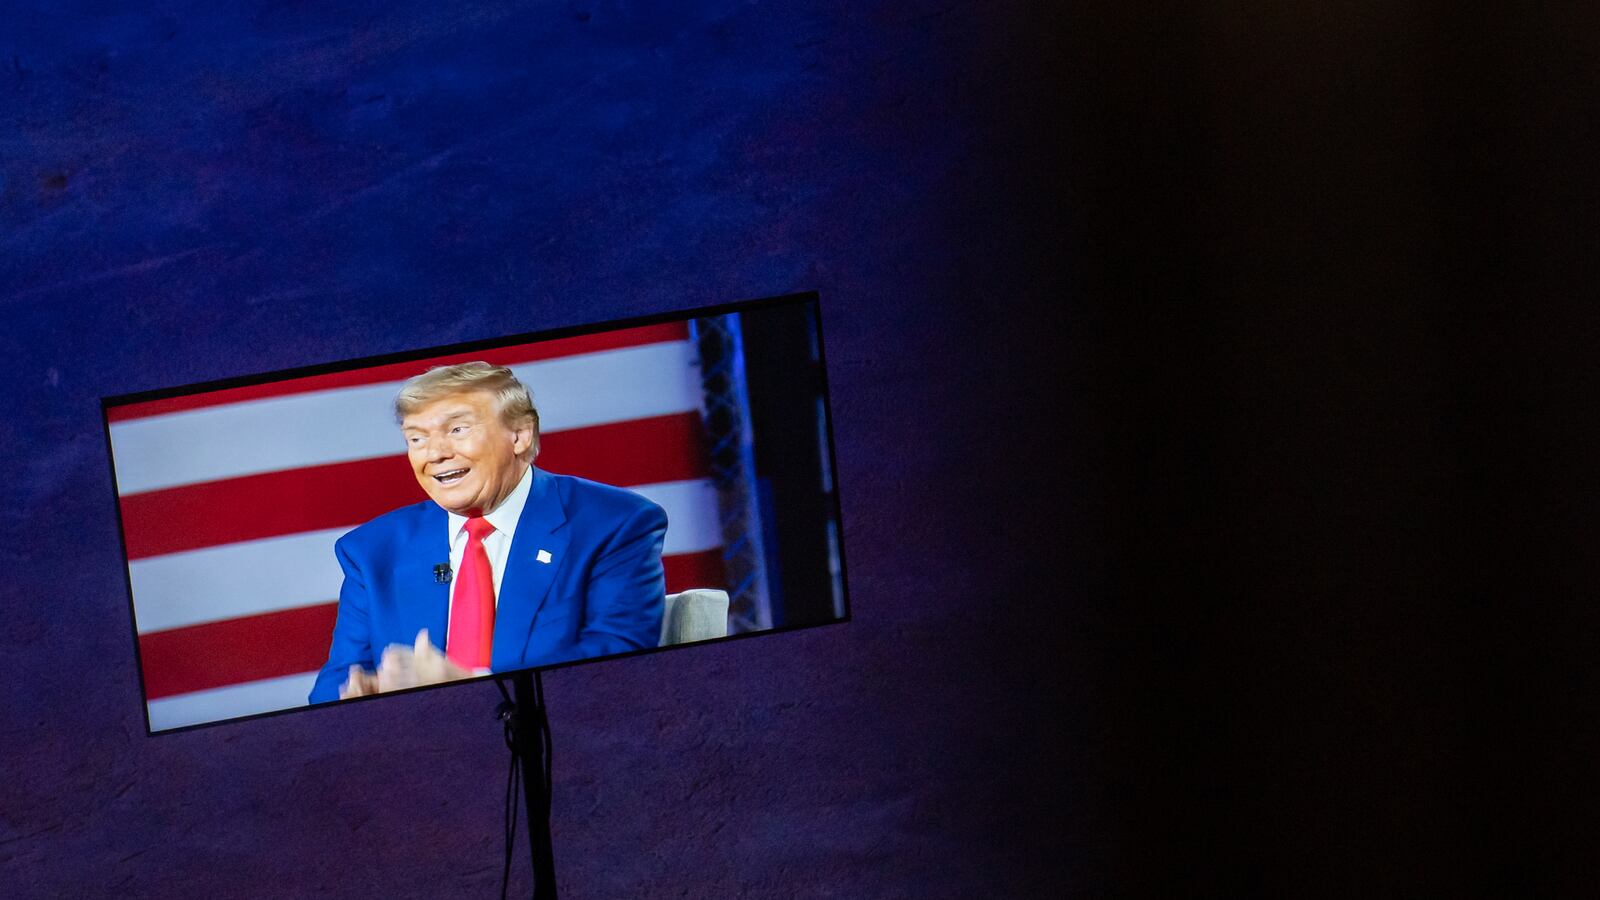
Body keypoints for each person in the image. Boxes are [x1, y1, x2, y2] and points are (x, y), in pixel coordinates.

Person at [307, 361, 667, 704]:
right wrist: (358, 697)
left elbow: (620, 662)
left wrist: (475, 690)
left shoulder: (614, 524)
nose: (434, 453)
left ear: (520, 435)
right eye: (416, 439)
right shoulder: (373, 551)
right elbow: (332, 686)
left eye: (457, 430)